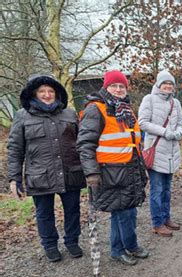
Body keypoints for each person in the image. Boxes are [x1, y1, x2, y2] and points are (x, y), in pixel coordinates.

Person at [7, 74, 86, 262]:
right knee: (44, 213)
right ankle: (50, 245)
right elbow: (15, 149)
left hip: (70, 171)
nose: (47, 95)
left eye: (50, 91)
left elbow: (82, 142)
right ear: (34, 93)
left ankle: (72, 241)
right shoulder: (22, 116)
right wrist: (14, 178)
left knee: (73, 209)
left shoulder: (69, 114)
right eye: (42, 91)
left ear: (57, 93)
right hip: (40, 174)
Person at [77, 70, 149, 265]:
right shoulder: (96, 109)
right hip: (111, 172)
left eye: (122, 86)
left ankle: (128, 246)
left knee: (128, 210)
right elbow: (85, 144)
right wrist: (91, 172)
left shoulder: (125, 109)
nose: (118, 89)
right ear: (106, 87)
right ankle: (121, 249)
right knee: (122, 213)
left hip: (131, 169)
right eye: (114, 86)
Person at [138, 70, 182, 237]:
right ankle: (157, 223)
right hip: (156, 151)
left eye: (170, 84)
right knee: (157, 190)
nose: (168, 86)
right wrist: (165, 132)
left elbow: (180, 122)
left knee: (167, 189)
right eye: (165, 83)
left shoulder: (176, 103)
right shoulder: (148, 99)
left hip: (172, 151)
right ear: (158, 84)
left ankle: (166, 218)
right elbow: (142, 122)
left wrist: (178, 132)